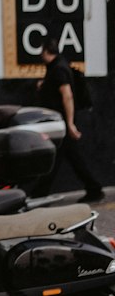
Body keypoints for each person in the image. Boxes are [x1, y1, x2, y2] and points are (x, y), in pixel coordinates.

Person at [36, 35, 105, 201]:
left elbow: (67, 96)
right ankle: (93, 188)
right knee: (69, 157)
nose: (40, 55)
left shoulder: (58, 68)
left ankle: (39, 194)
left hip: (62, 122)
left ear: (46, 51)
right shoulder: (58, 66)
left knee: (58, 158)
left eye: (41, 51)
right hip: (60, 122)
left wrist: (70, 124)